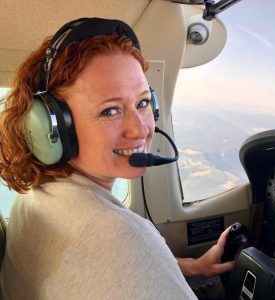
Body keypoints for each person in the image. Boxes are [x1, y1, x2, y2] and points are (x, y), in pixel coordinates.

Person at [0, 17, 234, 299]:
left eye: (143, 102)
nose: (141, 129)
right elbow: (115, 252)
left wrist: (192, 267)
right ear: (53, 127)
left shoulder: (38, 196)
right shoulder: (119, 234)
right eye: (110, 111)